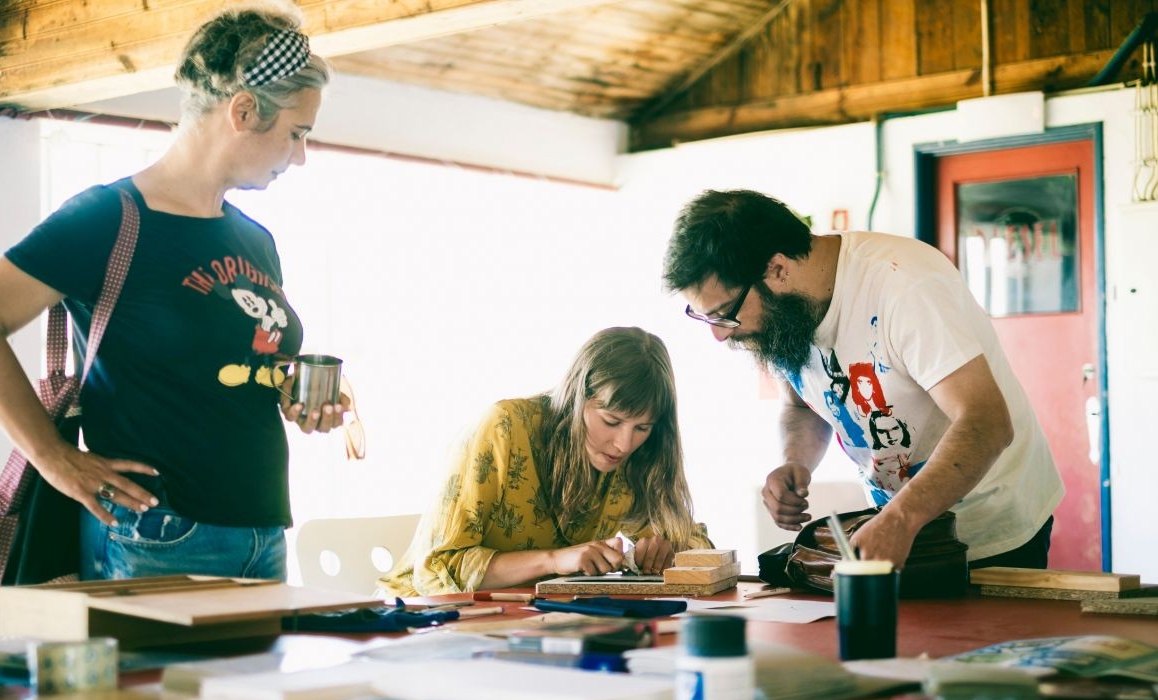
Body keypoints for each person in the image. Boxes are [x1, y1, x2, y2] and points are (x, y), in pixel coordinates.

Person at [0, 3, 344, 581]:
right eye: (296, 134)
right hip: (157, 534)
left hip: (263, 531)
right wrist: (54, 460)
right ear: (244, 110)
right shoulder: (108, 218)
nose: (300, 156)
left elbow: (232, 368)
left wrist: (299, 395)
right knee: (155, 679)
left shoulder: (257, 241)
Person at [663, 189, 1063, 570]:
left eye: (722, 313)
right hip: (899, 524)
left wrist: (903, 518)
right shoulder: (789, 314)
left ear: (778, 269)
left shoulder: (903, 286)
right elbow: (802, 404)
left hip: (992, 527)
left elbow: (986, 422)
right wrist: (795, 461)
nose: (719, 334)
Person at [378, 327, 712, 596]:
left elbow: (698, 544)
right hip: (421, 617)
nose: (624, 444)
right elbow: (439, 568)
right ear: (577, 397)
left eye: (642, 427)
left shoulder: (636, 456)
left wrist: (665, 551)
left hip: (528, 623)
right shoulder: (504, 427)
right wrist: (555, 560)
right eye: (610, 421)